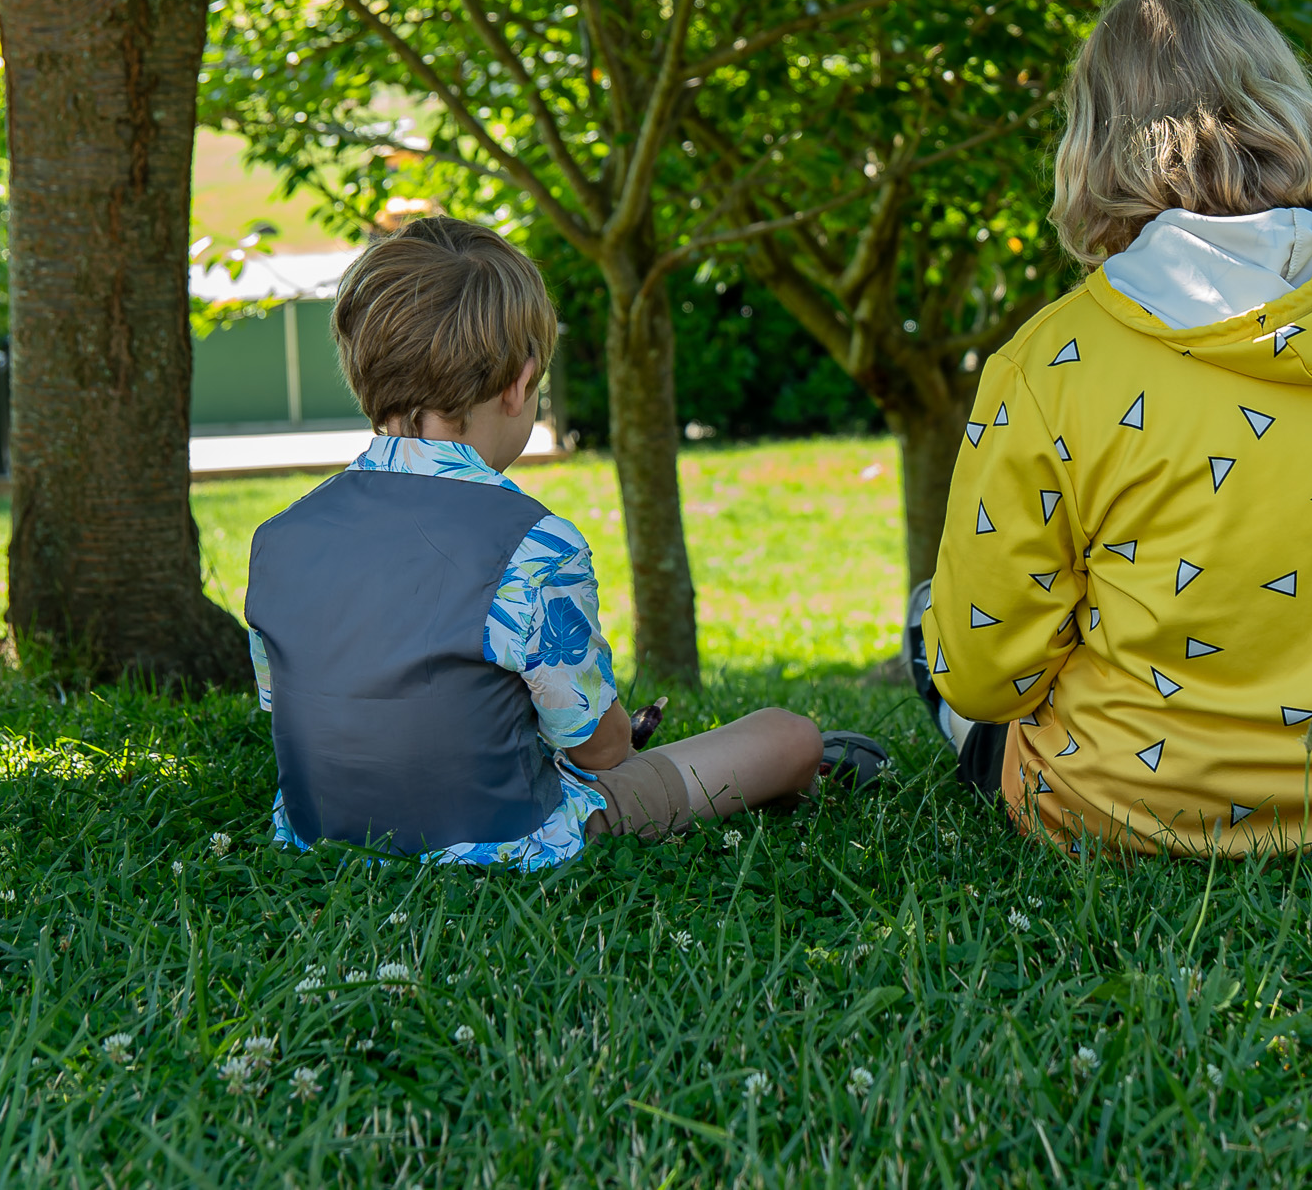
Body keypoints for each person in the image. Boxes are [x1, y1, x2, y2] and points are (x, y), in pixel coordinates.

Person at [908, 0, 1312, 856]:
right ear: (1287, 96)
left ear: (1093, 142)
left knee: (932, 620)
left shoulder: (1052, 362)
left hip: (1129, 820)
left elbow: (985, 674)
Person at [246, 216, 883, 869]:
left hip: (316, 832)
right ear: (521, 384)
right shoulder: (531, 544)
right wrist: (612, 733)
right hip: (505, 841)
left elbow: (296, 706)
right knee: (787, 734)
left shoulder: (278, 538)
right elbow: (601, 752)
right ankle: (810, 768)